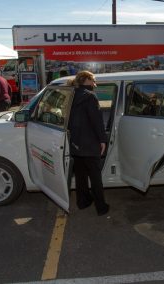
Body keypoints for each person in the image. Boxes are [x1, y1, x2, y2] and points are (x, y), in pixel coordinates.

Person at [67, 70, 109, 216]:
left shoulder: (71, 94)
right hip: (90, 143)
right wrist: (103, 139)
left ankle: (83, 202)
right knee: (96, 177)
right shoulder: (90, 97)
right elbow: (97, 121)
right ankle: (101, 207)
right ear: (86, 80)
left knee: (80, 176)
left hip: (75, 143)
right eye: (93, 81)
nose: (95, 84)